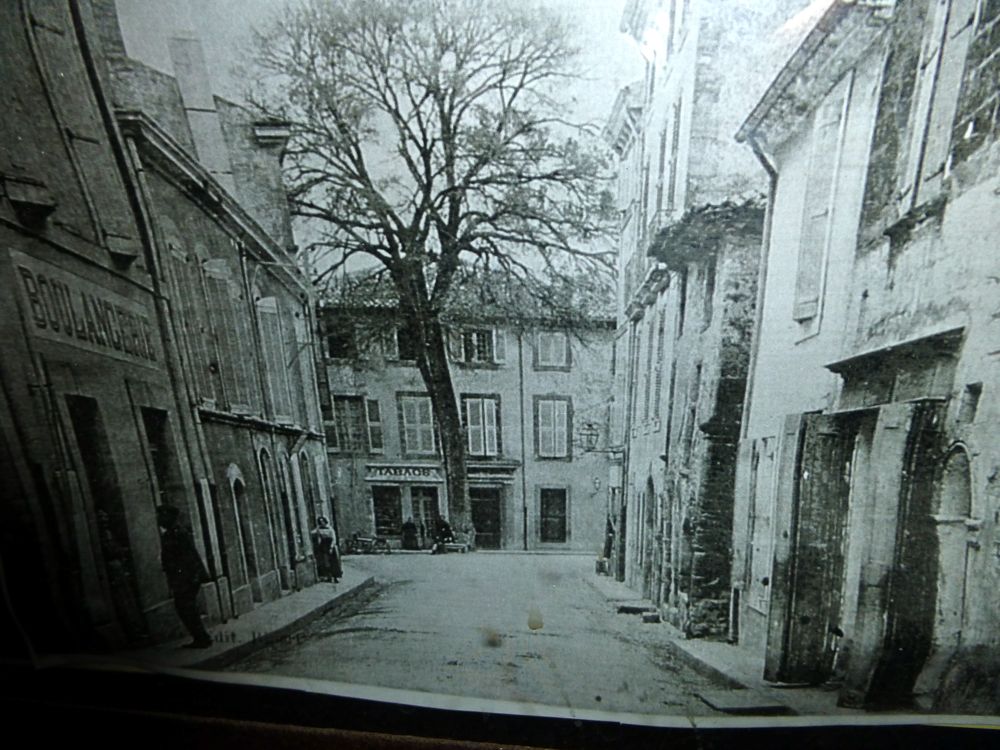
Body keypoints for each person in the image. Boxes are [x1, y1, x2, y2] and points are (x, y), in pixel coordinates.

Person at [156, 504, 212, 649]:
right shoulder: (173, 532)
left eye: (162, 515)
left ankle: (202, 639)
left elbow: (188, 557)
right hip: (184, 578)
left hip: (186, 578)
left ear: (169, 516)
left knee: (185, 608)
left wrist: (190, 578)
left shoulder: (178, 533)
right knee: (186, 608)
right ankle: (201, 638)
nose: (159, 519)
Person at [311, 516, 341, 583]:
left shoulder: (330, 529)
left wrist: (331, 547)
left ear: (325, 521)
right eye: (320, 522)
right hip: (323, 546)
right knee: (325, 562)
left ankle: (335, 577)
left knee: (333, 562)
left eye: (323, 521)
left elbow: (334, 539)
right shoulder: (319, 529)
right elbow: (314, 533)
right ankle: (328, 577)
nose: (322, 523)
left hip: (330, 545)